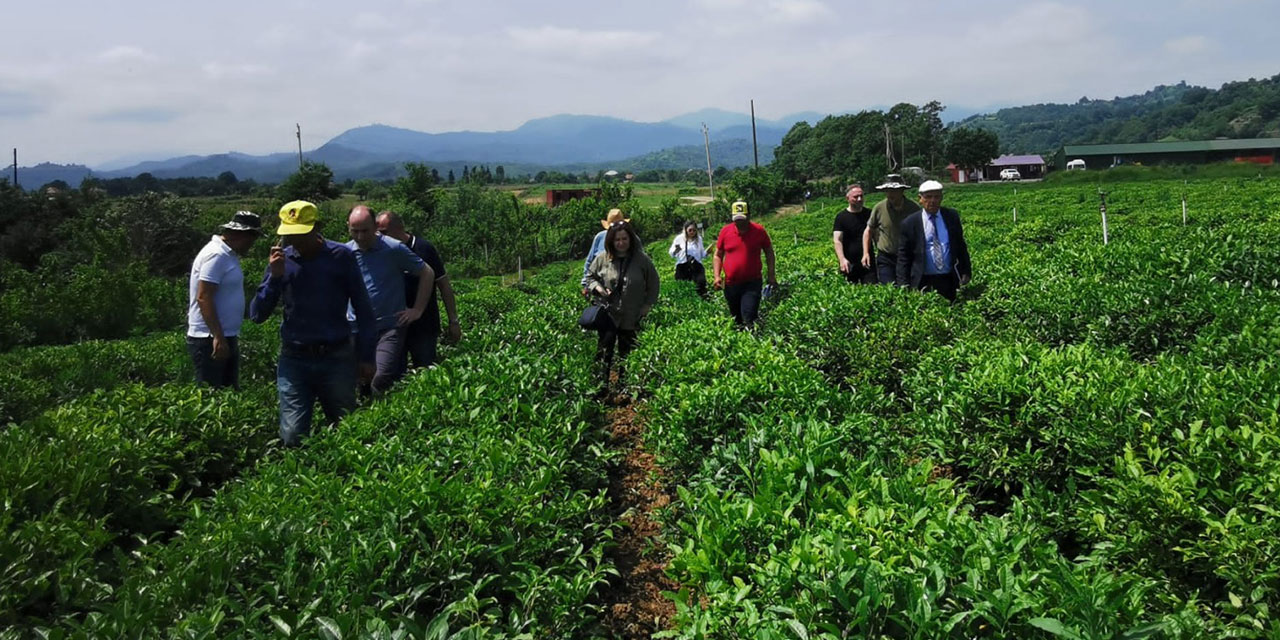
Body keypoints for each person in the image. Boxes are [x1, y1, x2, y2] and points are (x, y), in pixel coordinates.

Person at [250, 200, 377, 447]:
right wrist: (274, 278)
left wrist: (367, 356)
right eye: (290, 234)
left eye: (301, 233)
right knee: (293, 435)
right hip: (295, 358)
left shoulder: (341, 256)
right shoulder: (281, 261)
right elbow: (257, 314)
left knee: (347, 427)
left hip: (336, 356)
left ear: (316, 227)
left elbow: (363, 308)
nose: (294, 240)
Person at [346, 206, 434, 393]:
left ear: (375, 227)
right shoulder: (345, 253)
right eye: (355, 231)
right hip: (356, 328)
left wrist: (417, 309)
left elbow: (427, 272)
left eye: (365, 231)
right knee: (358, 380)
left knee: (380, 377)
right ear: (348, 227)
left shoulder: (393, 248)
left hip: (389, 326)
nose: (360, 237)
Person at [186, 210, 262, 388]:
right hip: (209, 338)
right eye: (252, 239)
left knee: (228, 394)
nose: (252, 244)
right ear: (240, 234)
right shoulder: (216, 255)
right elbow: (204, 297)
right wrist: (218, 337)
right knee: (212, 395)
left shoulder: (227, 254)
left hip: (224, 335)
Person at [376, 210, 461, 369]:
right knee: (392, 375)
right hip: (392, 326)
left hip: (424, 326)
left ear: (399, 228)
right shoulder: (380, 252)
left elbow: (444, 285)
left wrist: (453, 321)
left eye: (383, 232)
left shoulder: (424, 249)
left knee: (425, 371)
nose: (379, 236)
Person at [584, 220, 660, 392]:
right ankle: (600, 387)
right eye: (617, 239)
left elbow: (654, 283)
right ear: (611, 240)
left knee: (629, 352)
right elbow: (590, 277)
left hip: (632, 314)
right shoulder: (602, 259)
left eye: (624, 239)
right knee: (604, 351)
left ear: (631, 239)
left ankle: (626, 386)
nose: (621, 243)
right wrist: (598, 289)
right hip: (609, 314)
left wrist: (648, 304)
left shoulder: (641, 260)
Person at [896, 180, 972, 302]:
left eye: (936, 197)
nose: (932, 201)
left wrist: (966, 271)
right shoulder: (910, 223)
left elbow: (961, 247)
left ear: (941, 198)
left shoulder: (951, 216)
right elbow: (903, 257)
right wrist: (903, 285)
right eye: (928, 197)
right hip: (923, 280)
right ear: (920, 199)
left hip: (948, 279)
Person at [713, 201, 776, 327]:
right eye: (737, 220)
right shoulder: (725, 232)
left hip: (752, 283)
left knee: (749, 316)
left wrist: (771, 275)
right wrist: (717, 276)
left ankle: (753, 341)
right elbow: (718, 255)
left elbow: (769, 252)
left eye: (742, 219)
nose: (739, 223)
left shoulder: (759, 231)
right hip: (731, 284)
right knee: (736, 320)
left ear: (749, 216)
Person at [862, 174, 920, 284]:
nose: (890, 194)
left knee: (906, 286)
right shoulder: (879, 208)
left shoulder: (914, 208)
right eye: (887, 191)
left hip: (907, 257)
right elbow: (868, 230)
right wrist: (866, 253)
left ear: (902, 191)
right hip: (886, 257)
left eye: (894, 191)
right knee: (888, 286)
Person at [581, 208, 630, 296]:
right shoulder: (599, 237)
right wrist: (586, 285)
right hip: (600, 286)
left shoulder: (632, 239)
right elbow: (589, 261)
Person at [832, 185, 875, 284]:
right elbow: (837, 240)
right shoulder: (841, 217)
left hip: (868, 260)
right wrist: (842, 259)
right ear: (848, 198)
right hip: (849, 263)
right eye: (855, 197)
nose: (859, 199)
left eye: (861, 196)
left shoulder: (869, 214)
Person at [668, 220, 709, 296]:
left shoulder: (698, 239)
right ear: (686, 230)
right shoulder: (679, 239)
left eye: (694, 230)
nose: (692, 232)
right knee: (683, 288)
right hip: (683, 266)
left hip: (696, 266)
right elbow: (672, 253)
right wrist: (677, 250)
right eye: (690, 230)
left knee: (700, 285)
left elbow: (701, 254)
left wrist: (707, 252)